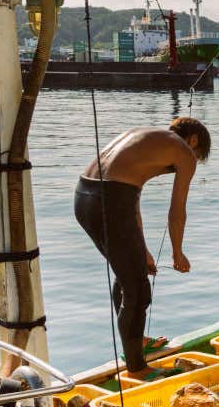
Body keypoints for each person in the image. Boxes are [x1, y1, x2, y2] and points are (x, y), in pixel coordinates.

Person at [74, 117, 211, 378]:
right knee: (137, 288)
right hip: (110, 201)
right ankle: (137, 369)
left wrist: (144, 250)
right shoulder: (183, 151)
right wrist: (177, 252)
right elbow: (176, 212)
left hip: (84, 197)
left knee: (127, 276)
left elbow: (130, 197)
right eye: (198, 154)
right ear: (193, 140)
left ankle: (136, 345)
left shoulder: (146, 137)